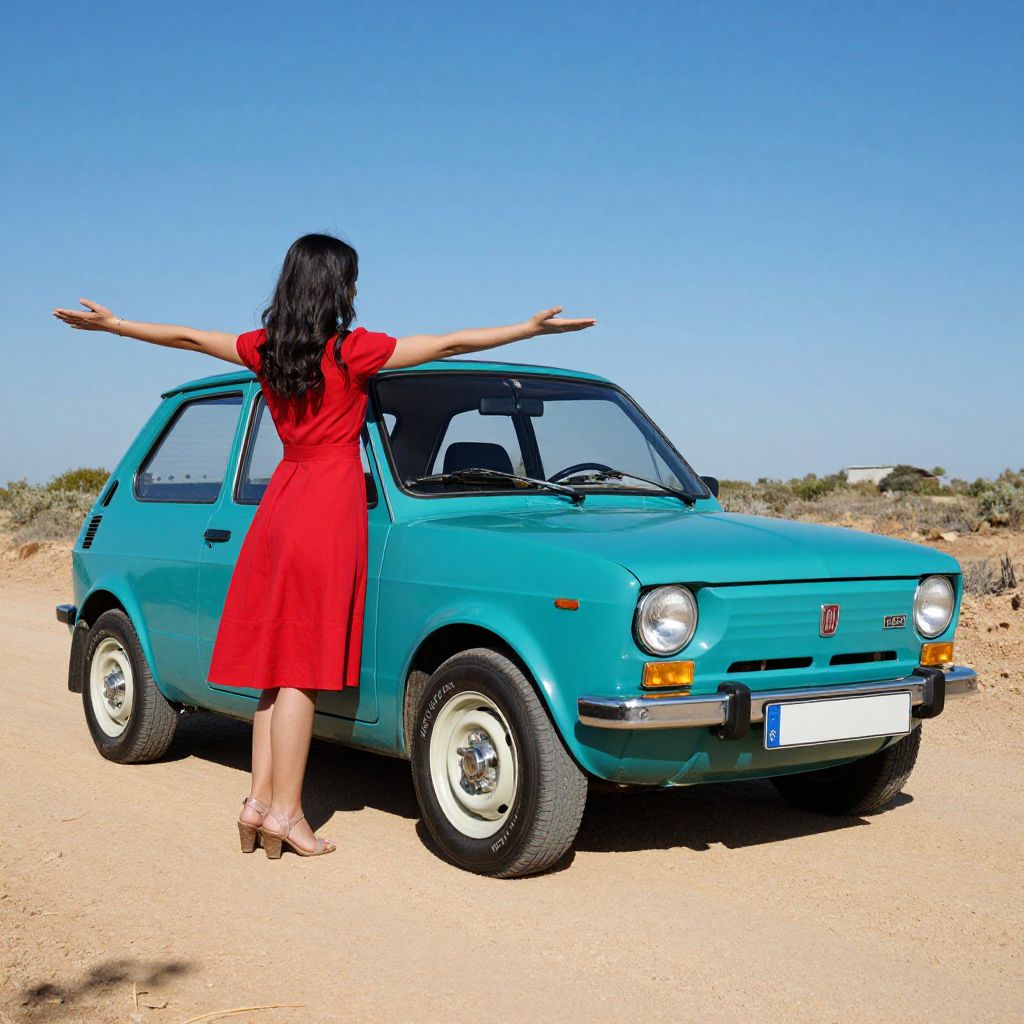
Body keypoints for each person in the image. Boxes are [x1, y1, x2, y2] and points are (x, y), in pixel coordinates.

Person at [52, 232, 596, 859]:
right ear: (336, 287)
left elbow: (188, 338)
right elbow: (447, 344)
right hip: (327, 510)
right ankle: (287, 813)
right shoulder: (352, 352)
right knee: (302, 674)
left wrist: (115, 324)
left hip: (280, 503)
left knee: (272, 670)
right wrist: (526, 328)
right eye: (351, 280)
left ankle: (257, 802)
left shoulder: (266, 350)